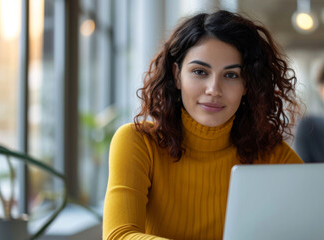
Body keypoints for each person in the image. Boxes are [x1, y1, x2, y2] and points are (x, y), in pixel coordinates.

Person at [103, 10, 303, 240]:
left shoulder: (271, 153)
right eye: (199, 72)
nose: (214, 89)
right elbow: (119, 235)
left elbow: (322, 219)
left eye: (231, 75)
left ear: (247, 84)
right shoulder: (137, 142)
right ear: (177, 76)